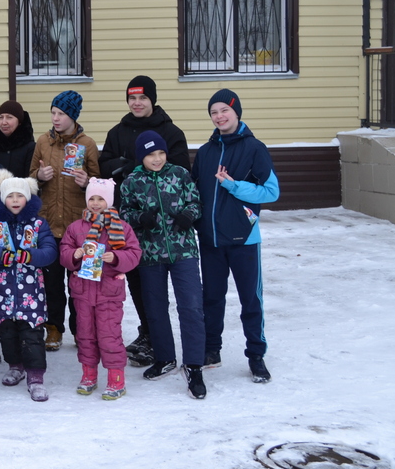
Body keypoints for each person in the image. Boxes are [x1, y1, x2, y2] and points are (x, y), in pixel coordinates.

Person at [98, 75, 191, 368]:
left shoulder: (171, 131)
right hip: (130, 219)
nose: (137, 103)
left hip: (168, 227)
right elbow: (105, 166)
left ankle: (165, 340)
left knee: (168, 289)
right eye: (132, 98)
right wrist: (126, 165)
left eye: (142, 98)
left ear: (152, 99)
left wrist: (133, 165)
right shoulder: (117, 132)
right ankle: (149, 333)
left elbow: (180, 171)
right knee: (138, 281)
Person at [192, 89, 279, 384]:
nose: (219, 116)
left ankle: (256, 356)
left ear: (236, 112)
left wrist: (234, 185)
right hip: (212, 241)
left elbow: (271, 192)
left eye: (224, 110)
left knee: (250, 301)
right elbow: (196, 193)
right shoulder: (205, 152)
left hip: (244, 240)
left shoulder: (255, 148)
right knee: (212, 299)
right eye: (214, 112)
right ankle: (211, 351)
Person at [119, 131, 207, 399]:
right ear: (141, 157)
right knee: (155, 309)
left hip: (184, 252)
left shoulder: (179, 174)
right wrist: (140, 217)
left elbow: (196, 201)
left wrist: (188, 215)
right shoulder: (131, 181)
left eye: (160, 153)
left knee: (191, 306)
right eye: (150, 155)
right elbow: (124, 212)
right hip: (149, 254)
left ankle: (194, 365)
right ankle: (165, 357)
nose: (157, 159)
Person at [0, 170, 57, 402]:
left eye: (19, 196)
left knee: (32, 335)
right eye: (9, 196)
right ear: (3, 199)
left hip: (30, 295)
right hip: (2, 294)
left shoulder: (39, 224)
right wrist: (1, 254)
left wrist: (30, 256)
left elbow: (50, 251)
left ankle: (35, 376)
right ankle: (15, 366)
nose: (14, 200)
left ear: (28, 199)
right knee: (7, 333)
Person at [30, 90, 99, 353]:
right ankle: (53, 328)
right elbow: (28, 182)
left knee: (82, 283)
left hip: (79, 225)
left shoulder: (88, 144)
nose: (55, 118)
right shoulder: (43, 142)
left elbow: (99, 185)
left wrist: (88, 183)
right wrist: (39, 175)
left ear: (73, 116)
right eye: (53, 113)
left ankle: (83, 330)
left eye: (61, 114)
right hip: (48, 224)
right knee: (52, 283)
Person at [60, 178, 142, 400]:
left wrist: (116, 257)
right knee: (85, 335)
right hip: (82, 293)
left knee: (109, 336)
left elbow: (134, 253)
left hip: (109, 293)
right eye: (92, 198)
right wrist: (73, 255)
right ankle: (89, 375)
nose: (96, 203)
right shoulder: (76, 227)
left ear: (110, 201)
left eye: (101, 199)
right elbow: (64, 251)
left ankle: (116, 379)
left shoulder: (121, 227)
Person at [0, 100, 36, 179]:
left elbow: (31, 179)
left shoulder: (30, 148)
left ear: (19, 121)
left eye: (9, 117)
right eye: (1, 117)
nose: (4, 122)